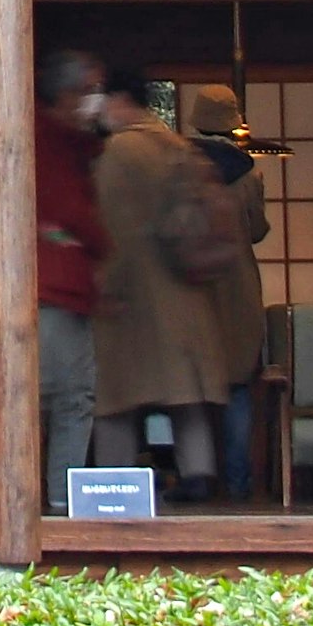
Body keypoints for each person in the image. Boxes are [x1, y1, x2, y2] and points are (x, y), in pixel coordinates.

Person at [90, 67, 238, 498]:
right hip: (186, 293)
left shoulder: (119, 152)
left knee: (114, 402)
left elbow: (110, 229)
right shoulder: (178, 146)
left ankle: (112, 489)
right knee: (186, 401)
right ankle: (200, 481)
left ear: (119, 99)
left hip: (133, 300)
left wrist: (102, 287)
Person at [177, 83, 273, 501]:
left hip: (189, 285)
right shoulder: (248, 172)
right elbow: (256, 230)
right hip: (237, 288)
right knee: (237, 386)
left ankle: (194, 479)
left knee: (191, 388)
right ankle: (238, 484)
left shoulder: (174, 166)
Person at [35, 48, 109, 498]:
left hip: (63, 287)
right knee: (66, 398)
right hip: (54, 289)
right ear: (65, 95)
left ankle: (55, 495)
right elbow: (69, 213)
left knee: (61, 398)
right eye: (88, 91)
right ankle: (59, 497)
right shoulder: (48, 142)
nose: (95, 101)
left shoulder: (71, 143)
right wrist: (97, 242)